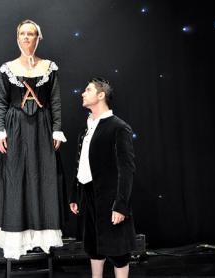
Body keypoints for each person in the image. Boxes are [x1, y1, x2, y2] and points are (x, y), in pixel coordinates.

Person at [0, 19, 67, 259]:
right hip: (16, 127)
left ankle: (42, 238)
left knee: (44, 175)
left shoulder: (49, 67)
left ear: (38, 38)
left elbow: (55, 100)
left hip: (43, 127)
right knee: (16, 177)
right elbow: (1, 102)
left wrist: (57, 128)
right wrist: (0, 130)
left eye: (31, 34)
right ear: (17, 38)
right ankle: (17, 239)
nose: (26, 38)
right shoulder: (7, 68)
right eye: (23, 34)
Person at [69, 78, 136, 278]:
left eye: (87, 90)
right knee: (93, 246)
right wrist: (75, 194)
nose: (82, 93)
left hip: (109, 197)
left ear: (101, 95)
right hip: (88, 195)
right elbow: (80, 163)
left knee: (118, 250)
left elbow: (127, 168)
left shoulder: (118, 127)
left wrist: (121, 204)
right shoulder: (86, 129)